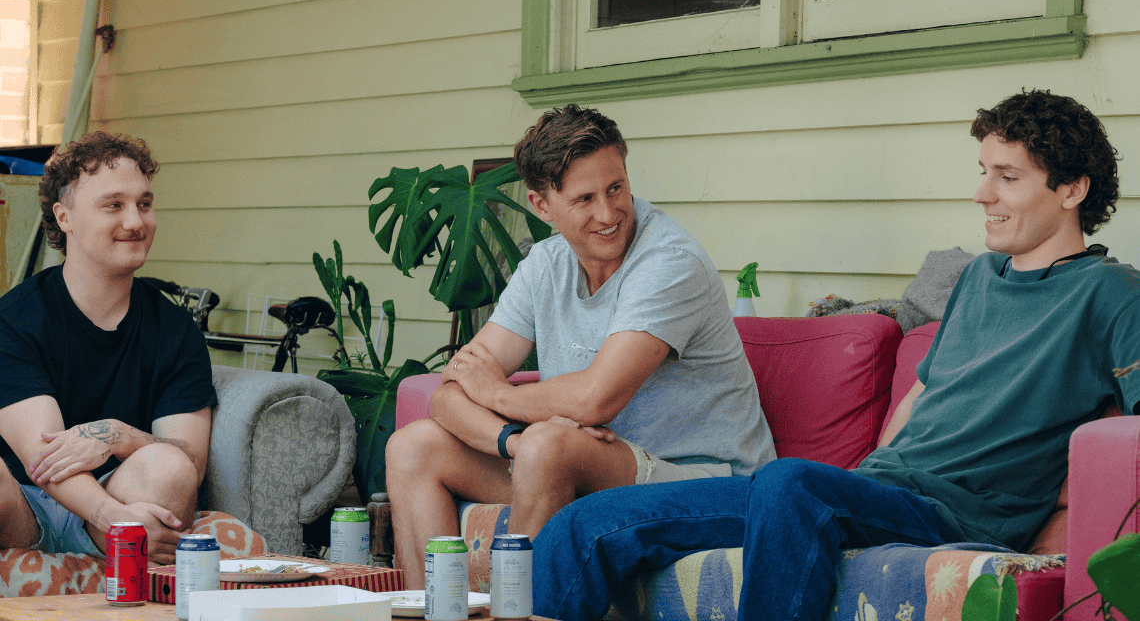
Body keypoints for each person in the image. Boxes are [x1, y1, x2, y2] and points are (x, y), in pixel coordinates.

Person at [531, 89, 1140, 620]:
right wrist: (864, 480)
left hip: (957, 516)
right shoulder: (980, 277)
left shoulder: (1112, 295)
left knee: (792, 482)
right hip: (876, 491)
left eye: (1007, 177)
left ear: (1072, 190)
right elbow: (922, 395)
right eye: (983, 171)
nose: (981, 193)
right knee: (583, 528)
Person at [385, 105, 776, 587]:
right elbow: (450, 393)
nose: (608, 214)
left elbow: (596, 399)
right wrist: (514, 441)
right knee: (412, 448)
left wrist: (501, 397)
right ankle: (438, 609)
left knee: (551, 445)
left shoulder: (669, 263)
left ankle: (517, 613)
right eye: (584, 198)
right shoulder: (544, 266)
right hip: (592, 465)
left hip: (710, 484)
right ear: (542, 205)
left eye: (616, 188)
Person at [0, 132, 217, 566]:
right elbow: (43, 459)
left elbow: (191, 457)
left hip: (125, 496)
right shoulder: (15, 319)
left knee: (170, 467)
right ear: (65, 218)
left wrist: (119, 436)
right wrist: (117, 519)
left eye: (145, 203)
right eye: (114, 205)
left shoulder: (174, 329)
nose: (136, 221)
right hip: (27, 510)